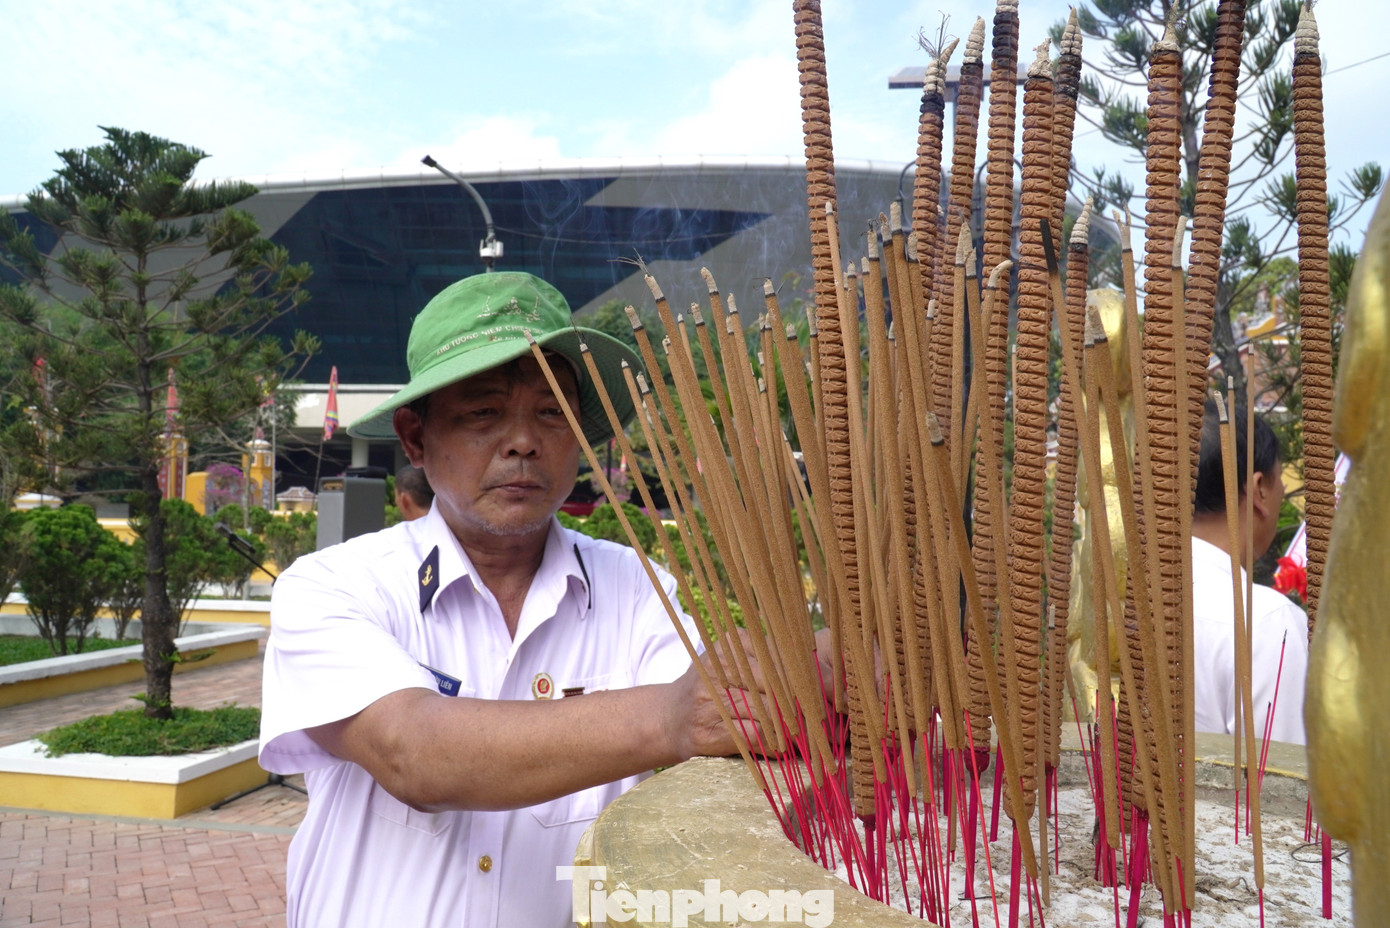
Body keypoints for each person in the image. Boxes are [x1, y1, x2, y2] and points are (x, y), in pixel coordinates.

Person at [259, 272, 751, 928]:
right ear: (415, 437)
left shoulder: (636, 587)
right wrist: (673, 716)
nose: (524, 441)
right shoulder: (333, 587)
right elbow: (412, 752)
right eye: (484, 412)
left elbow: (728, 718)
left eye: (552, 412)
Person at [1190, 398, 1308, 745]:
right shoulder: (1265, 622)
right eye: (1279, 487)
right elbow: (1288, 786)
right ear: (1258, 489)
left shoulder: (1126, 594)